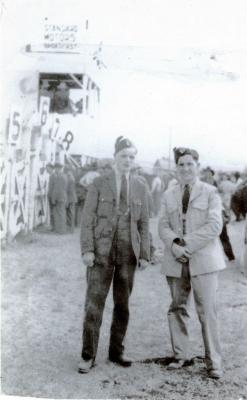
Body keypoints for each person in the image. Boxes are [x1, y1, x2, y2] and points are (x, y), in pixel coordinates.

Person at [78, 136, 150, 373]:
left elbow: (144, 224)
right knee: (94, 305)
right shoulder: (100, 183)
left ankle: (116, 351)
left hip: (128, 254)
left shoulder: (140, 185)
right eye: (123, 156)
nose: (127, 160)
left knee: (123, 305)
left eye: (131, 157)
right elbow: (87, 219)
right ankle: (88, 355)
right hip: (101, 254)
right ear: (115, 157)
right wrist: (88, 249)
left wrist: (145, 254)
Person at [159, 147, 226, 379]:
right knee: (177, 307)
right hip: (176, 258)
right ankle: (181, 355)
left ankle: (214, 362)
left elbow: (215, 226)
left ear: (197, 166)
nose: (185, 169)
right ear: (176, 168)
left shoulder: (210, 192)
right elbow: (163, 225)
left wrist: (186, 243)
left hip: (203, 260)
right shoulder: (168, 194)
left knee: (207, 310)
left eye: (190, 164)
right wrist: (175, 246)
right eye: (181, 165)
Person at [50, 163, 68, 234]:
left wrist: (53, 198)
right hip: (63, 196)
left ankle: (60, 230)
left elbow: (56, 189)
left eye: (56, 169)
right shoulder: (65, 176)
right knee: (62, 213)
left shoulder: (59, 177)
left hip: (59, 197)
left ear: (59, 169)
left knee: (59, 213)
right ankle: (62, 229)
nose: (55, 170)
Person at [64, 166, 77, 233]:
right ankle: (70, 228)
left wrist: (67, 200)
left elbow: (70, 191)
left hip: (71, 198)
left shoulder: (70, 179)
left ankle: (71, 228)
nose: (66, 172)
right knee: (70, 213)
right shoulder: (70, 177)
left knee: (71, 213)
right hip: (71, 198)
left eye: (67, 171)